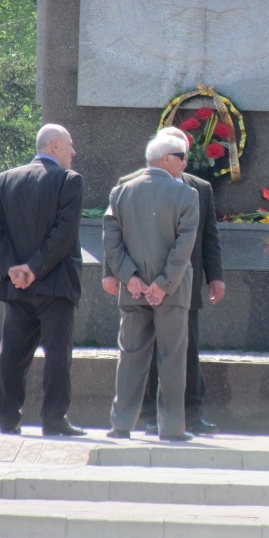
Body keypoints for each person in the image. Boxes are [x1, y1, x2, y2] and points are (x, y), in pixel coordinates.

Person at [102, 126, 225, 436]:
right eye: (182, 157)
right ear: (168, 159)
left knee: (130, 358)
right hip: (172, 292)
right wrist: (163, 284)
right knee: (172, 359)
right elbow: (184, 247)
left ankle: (121, 425)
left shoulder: (121, 192)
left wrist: (131, 279)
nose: (186, 163)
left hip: (133, 293)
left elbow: (111, 242)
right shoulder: (186, 194)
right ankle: (171, 427)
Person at [0, 124, 86, 437]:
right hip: (55, 284)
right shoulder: (69, 181)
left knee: (12, 354)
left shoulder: (7, 178)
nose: (73, 152)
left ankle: (7, 417)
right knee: (57, 355)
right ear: (55, 145)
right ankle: (54, 420)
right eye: (69, 145)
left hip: (17, 285)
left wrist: (13, 268)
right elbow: (63, 233)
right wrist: (34, 267)